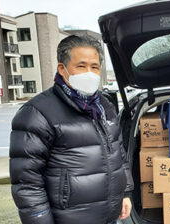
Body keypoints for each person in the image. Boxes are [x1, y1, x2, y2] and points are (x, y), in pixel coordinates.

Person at [10, 35, 134, 224]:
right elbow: (27, 183)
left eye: (95, 67)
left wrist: (125, 193)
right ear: (63, 68)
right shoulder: (37, 113)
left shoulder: (104, 106)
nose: (89, 73)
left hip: (109, 215)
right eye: (81, 66)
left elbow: (118, 152)